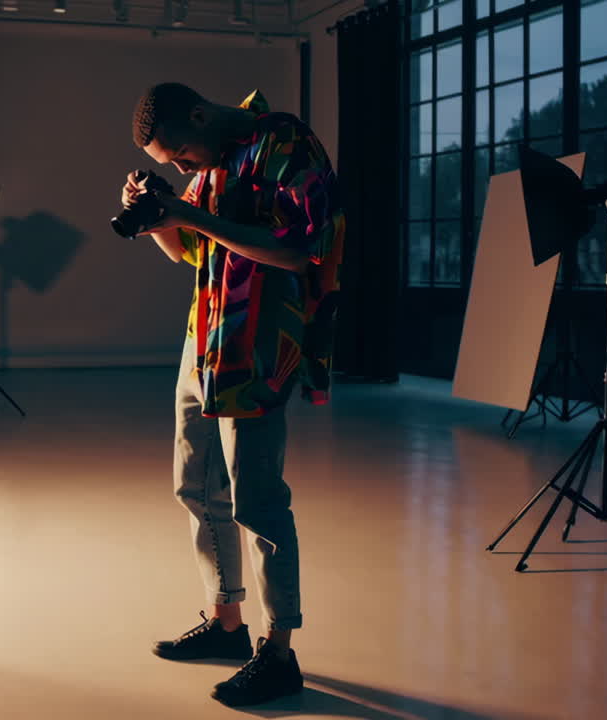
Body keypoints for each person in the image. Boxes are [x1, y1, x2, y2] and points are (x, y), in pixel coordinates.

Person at [123, 82, 344, 707]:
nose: (184, 169)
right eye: (172, 166)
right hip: (206, 336)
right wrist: (160, 220)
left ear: (199, 115)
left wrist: (190, 212)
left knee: (259, 503)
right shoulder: (213, 163)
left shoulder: (282, 141)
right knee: (194, 486)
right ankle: (226, 626)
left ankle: (279, 653)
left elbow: (300, 250)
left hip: (258, 346)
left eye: (182, 156)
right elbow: (190, 251)